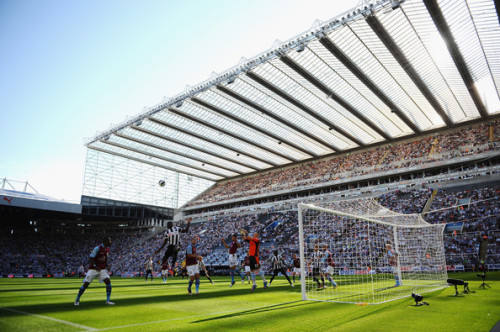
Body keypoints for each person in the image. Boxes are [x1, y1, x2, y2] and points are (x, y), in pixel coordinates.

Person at [74, 237, 114, 306]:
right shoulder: (97, 248)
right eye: (109, 240)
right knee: (86, 284)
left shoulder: (107, 249)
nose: (111, 242)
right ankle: (77, 299)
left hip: (102, 269)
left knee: (108, 281)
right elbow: (90, 258)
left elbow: (105, 259)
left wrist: (107, 266)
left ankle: (108, 300)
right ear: (105, 241)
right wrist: (95, 266)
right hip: (93, 269)